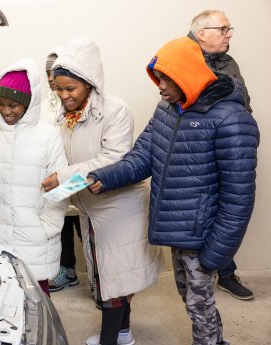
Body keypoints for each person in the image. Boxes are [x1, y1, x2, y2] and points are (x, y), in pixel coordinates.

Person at [87, 36, 259, 345]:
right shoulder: (167, 109)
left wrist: (217, 252)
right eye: (157, 78)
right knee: (193, 300)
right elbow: (142, 157)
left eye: (166, 77)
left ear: (187, 75)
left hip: (203, 233)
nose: (160, 85)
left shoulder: (231, 119)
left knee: (198, 304)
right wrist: (103, 177)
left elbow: (239, 198)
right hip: (178, 227)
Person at [41, 37, 162, 345]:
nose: (64, 96)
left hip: (118, 208)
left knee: (114, 281)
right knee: (109, 279)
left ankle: (110, 339)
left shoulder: (114, 110)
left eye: (71, 89)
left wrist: (61, 178)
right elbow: (64, 158)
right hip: (91, 208)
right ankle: (123, 333)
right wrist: (52, 192)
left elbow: (114, 159)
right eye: (59, 89)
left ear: (89, 83)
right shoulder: (63, 115)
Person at [0, 58, 68, 297]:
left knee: (37, 300)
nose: (6, 111)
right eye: (2, 103)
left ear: (29, 103)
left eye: (14, 105)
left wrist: (48, 226)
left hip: (35, 235)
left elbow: (62, 186)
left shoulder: (48, 136)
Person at [188, 9, 254, 300]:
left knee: (229, 209)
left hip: (230, 147)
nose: (229, 34)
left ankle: (226, 273)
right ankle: (199, 274)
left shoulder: (229, 61)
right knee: (200, 212)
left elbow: (244, 102)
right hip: (198, 149)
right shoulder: (183, 58)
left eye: (229, 29)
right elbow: (179, 108)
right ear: (202, 33)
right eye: (224, 29)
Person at [41, 49, 82, 292]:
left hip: (77, 170)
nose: (50, 77)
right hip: (56, 171)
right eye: (47, 73)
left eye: (53, 72)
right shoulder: (48, 101)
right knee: (61, 221)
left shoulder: (74, 98)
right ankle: (67, 269)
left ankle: (100, 281)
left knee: (85, 221)